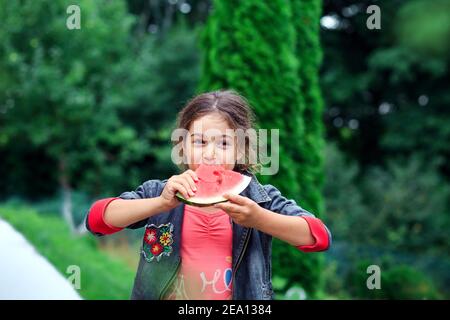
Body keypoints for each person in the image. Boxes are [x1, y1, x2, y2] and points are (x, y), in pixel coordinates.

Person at [85, 89, 332, 300]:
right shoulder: (161, 192)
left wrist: (258, 219)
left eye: (224, 144)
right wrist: (159, 204)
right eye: (200, 142)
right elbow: (97, 221)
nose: (210, 154)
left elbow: (318, 237)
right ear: (182, 147)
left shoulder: (260, 198)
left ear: (241, 150)